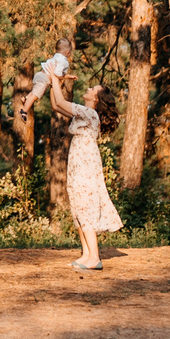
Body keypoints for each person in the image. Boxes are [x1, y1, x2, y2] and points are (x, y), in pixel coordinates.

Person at [19, 52, 122, 271]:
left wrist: (55, 78)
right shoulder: (84, 113)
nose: (88, 88)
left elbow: (61, 101)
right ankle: (86, 255)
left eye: (93, 89)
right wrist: (53, 81)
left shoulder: (90, 114)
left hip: (85, 165)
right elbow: (56, 106)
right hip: (78, 163)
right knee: (78, 206)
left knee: (85, 206)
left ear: (96, 99)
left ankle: (95, 257)